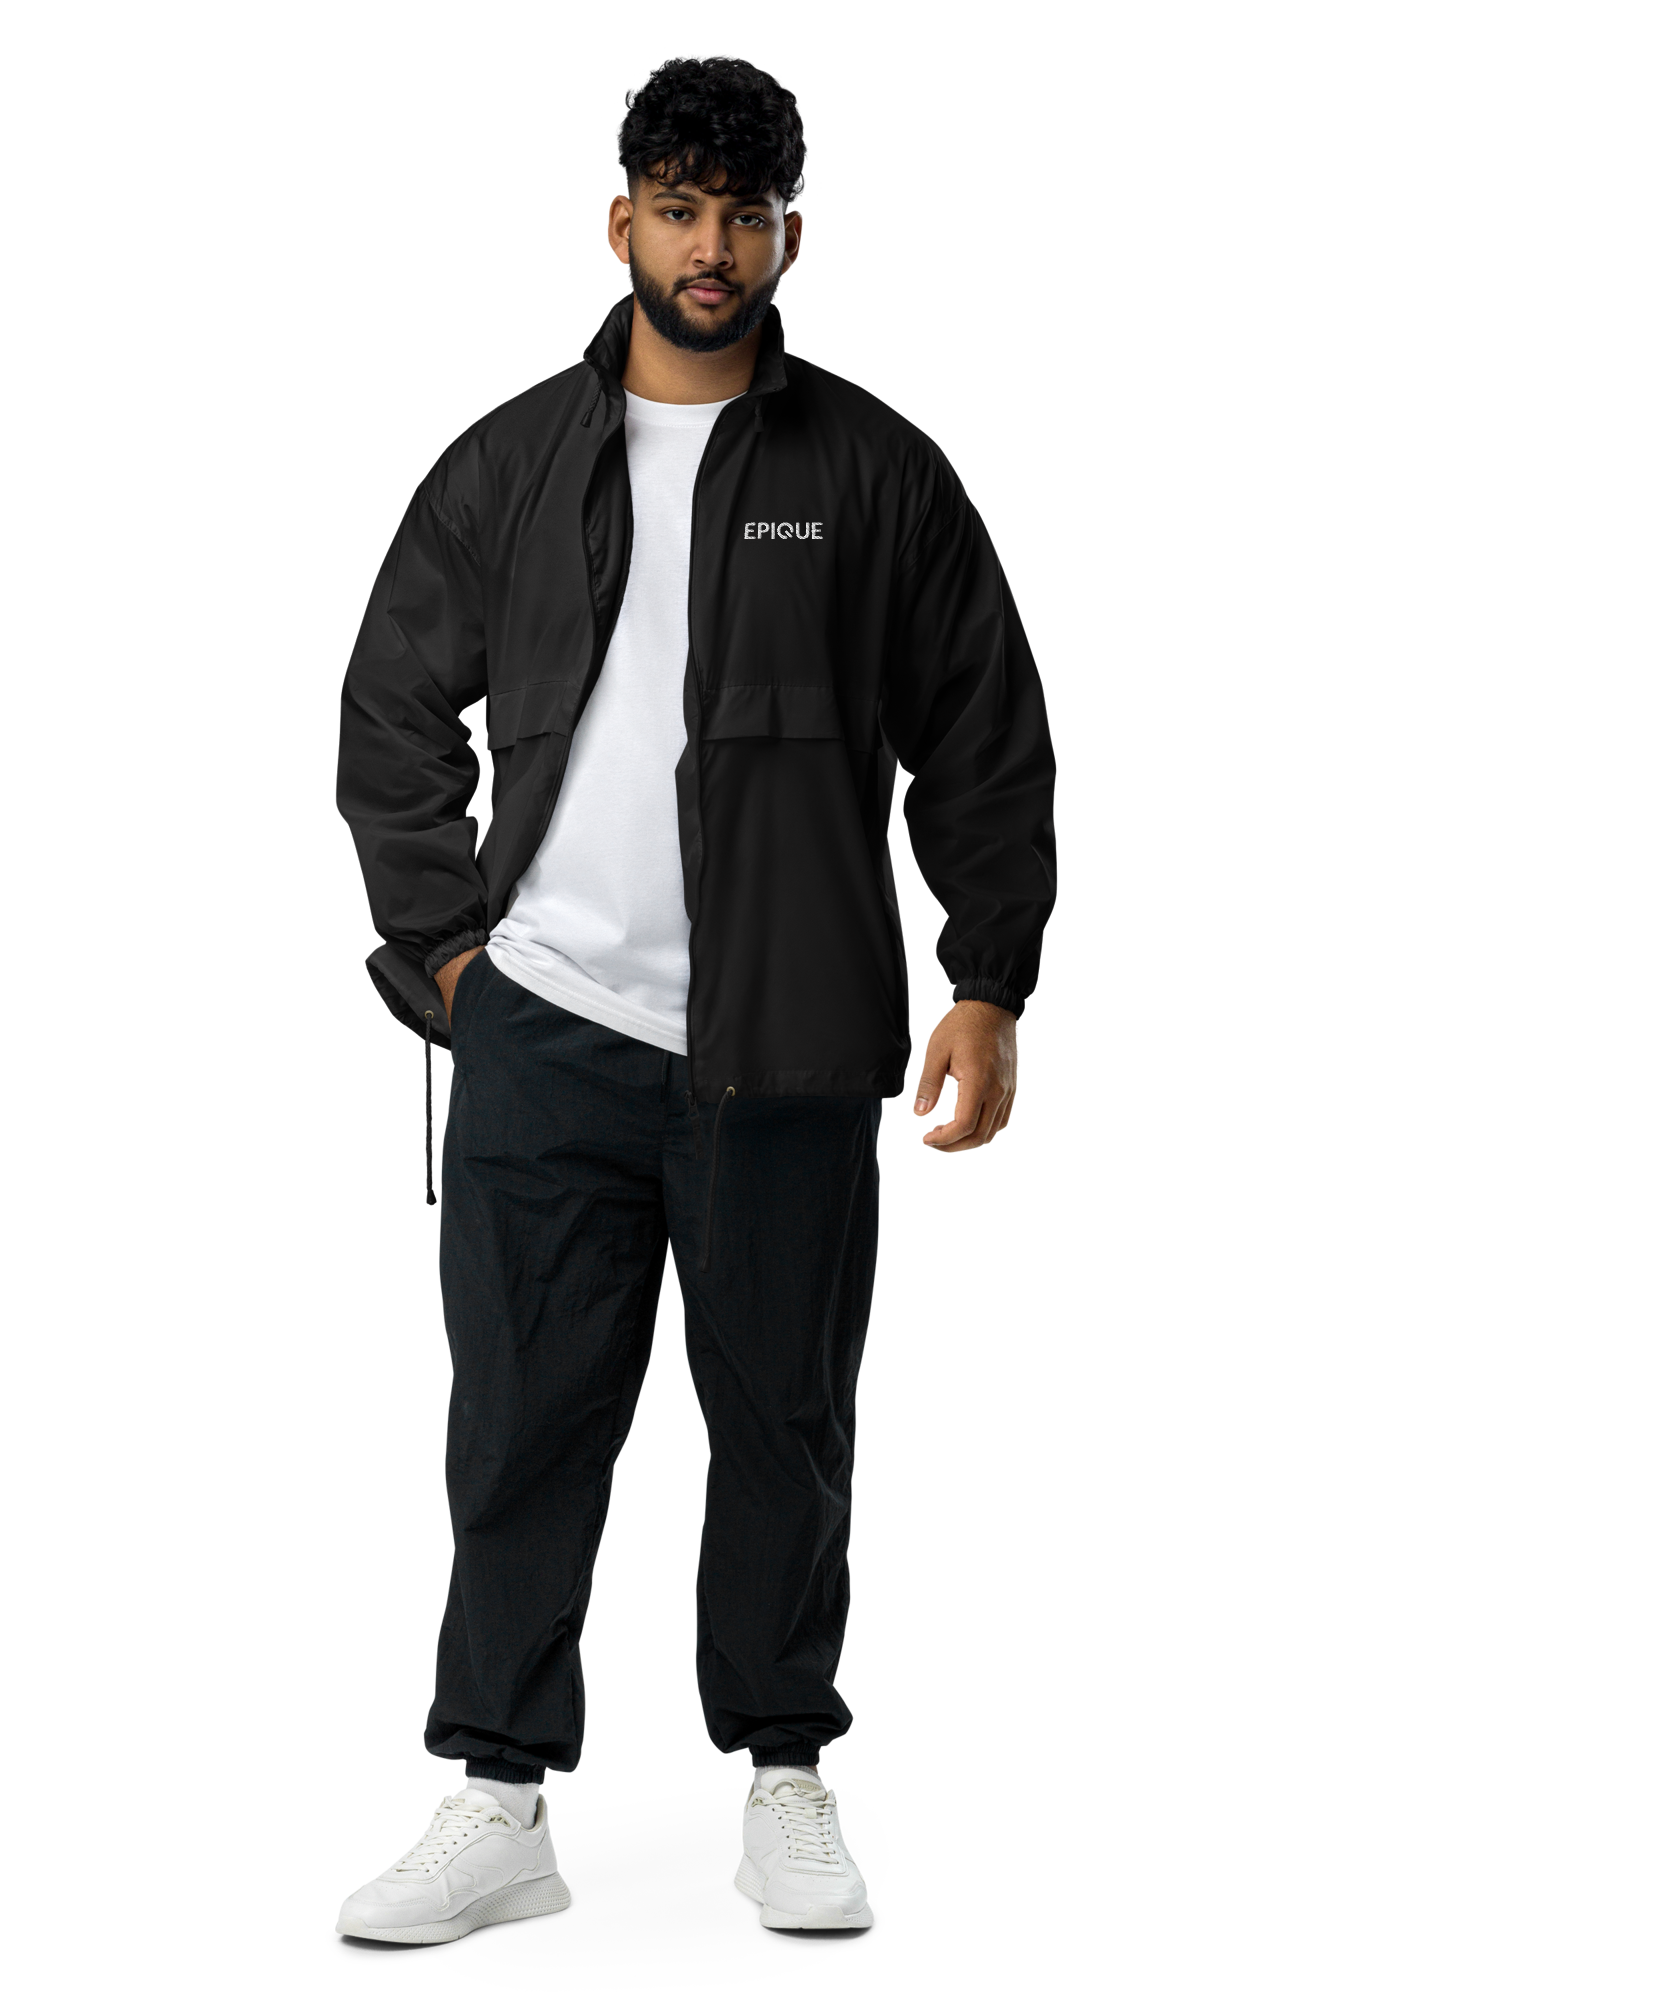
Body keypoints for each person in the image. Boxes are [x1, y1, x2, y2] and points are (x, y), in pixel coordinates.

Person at [334, 53, 1056, 1941]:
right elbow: (394, 721)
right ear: (619, 228)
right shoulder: (503, 466)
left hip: (792, 1037)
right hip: (543, 1026)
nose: (711, 246)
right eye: (678, 210)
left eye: (745, 214)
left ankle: (787, 1784)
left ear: (786, 238)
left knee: (785, 1423)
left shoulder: (874, 474)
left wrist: (981, 987)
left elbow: (983, 741)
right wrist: (455, 964)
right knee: (514, 1421)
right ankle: (497, 1798)